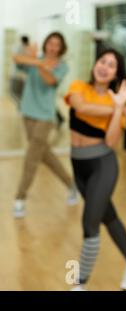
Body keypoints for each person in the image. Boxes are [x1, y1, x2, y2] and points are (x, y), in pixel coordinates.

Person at [65, 48, 126, 291]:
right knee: (108, 216)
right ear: (95, 64)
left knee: (90, 222)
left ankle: (79, 284)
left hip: (103, 165)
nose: (104, 67)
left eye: (111, 65)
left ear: (116, 74)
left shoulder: (116, 102)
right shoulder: (79, 87)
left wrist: (119, 109)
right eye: (102, 61)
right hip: (78, 165)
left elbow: (111, 141)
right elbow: (81, 108)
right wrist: (120, 108)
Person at [12, 32, 77, 218]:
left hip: (45, 117)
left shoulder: (62, 66)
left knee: (32, 156)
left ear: (61, 48)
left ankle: (20, 198)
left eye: (57, 44)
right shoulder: (36, 59)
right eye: (50, 43)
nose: (52, 47)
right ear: (45, 44)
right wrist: (36, 60)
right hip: (28, 113)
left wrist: (37, 63)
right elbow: (16, 58)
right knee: (45, 155)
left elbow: (49, 81)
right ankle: (72, 184)